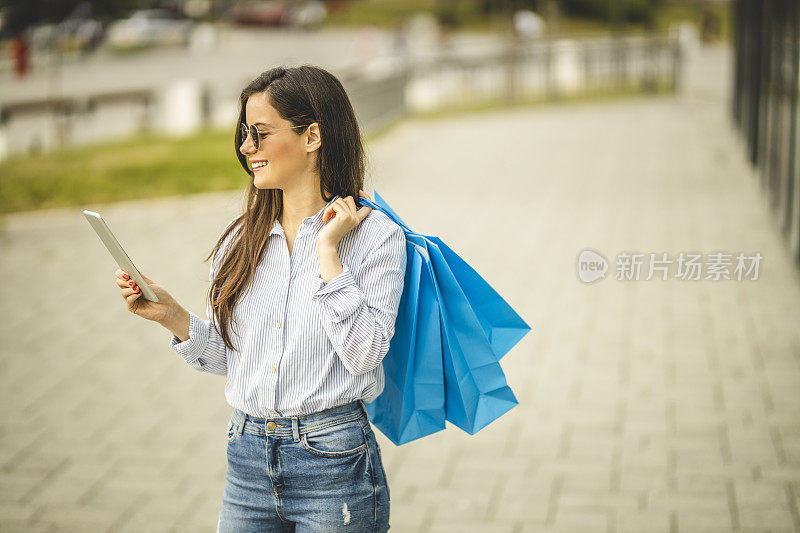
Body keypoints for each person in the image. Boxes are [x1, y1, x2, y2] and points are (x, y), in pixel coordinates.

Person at [114, 65, 406, 532]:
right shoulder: (240, 241)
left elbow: (365, 353)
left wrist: (328, 251)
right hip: (247, 456)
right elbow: (235, 359)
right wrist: (171, 316)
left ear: (312, 136)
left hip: (333, 460)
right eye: (245, 134)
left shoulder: (377, 238)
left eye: (261, 133)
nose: (247, 147)